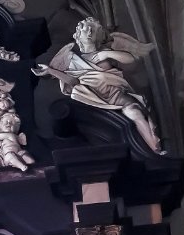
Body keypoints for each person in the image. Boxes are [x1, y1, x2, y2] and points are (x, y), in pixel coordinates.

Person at [34, 17, 164, 153]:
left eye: (92, 30)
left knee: (134, 112)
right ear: (78, 36)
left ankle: (155, 149)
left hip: (116, 94)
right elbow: (74, 83)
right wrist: (51, 71)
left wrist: (106, 53)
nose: (89, 32)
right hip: (95, 97)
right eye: (85, 30)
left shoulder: (105, 51)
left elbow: (130, 58)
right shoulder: (74, 61)